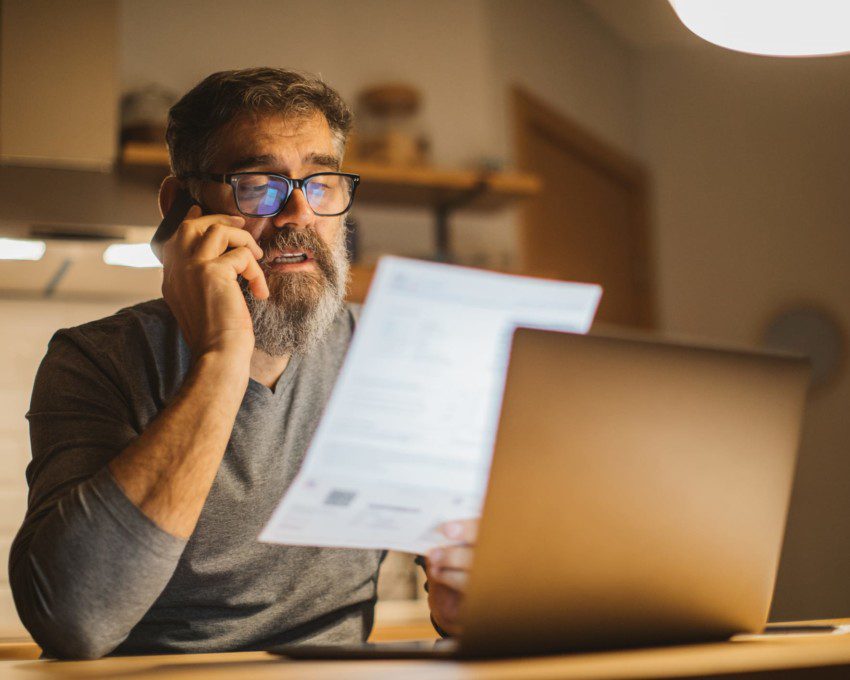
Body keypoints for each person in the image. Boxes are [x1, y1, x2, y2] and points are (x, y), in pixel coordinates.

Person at [9, 67, 477, 659]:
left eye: (321, 182)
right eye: (259, 184)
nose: (298, 215)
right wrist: (223, 354)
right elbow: (73, 620)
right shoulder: (95, 360)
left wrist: (469, 603)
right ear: (181, 205)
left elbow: (469, 583)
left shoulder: (382, 355)